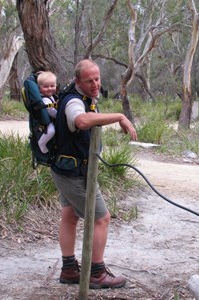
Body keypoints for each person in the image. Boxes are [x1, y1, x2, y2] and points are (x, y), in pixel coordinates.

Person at [51, 59, 137, 289]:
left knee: (69, 216)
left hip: (66, 170)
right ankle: (97, 273)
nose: (95, 84)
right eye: (89, 81)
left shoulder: (86, 98)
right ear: (77, 81)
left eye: (97, 79)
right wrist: (119, 116)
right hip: (73, 175)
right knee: (101, 219)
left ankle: (69, 270)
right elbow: (81, 121)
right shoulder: (72, 101)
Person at [37, 71, 57, 154]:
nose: (49, 88)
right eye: (45, 86)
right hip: (47, 121)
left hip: (52, 118)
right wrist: (59, 116)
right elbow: (51, 111)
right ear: (39, 88)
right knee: (52, 131)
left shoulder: (51, 96)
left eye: (52, 86)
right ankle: (42, 143)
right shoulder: (45, 99)